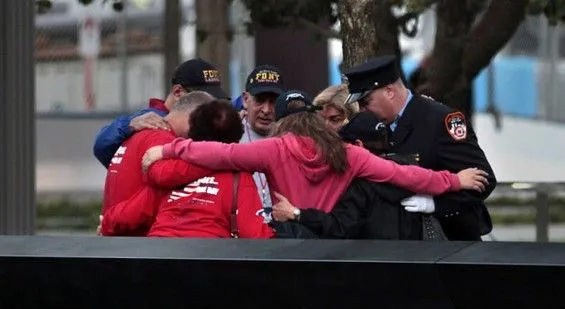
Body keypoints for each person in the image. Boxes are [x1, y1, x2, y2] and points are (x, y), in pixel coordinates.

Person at [141, 89, 490, 215]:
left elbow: (221, 155)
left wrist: (172, 149)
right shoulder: (349, 154)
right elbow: (404, 174)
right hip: (333, 242)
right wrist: (454, 181)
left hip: (289, 240)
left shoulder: (275, 149)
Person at [343, 55, 496, 240]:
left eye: (366, 102)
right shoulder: (372, 126)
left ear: (389, 91)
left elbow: (483, 179)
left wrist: (436, 204)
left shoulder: (439, 120)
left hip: (448, 243)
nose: (362, 110)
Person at [101, 100, 274, 239]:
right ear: (236, 139)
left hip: (158, 256)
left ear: (192, 132)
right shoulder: (238, 177)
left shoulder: (171, 172)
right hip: (205, 262)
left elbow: (128, 214)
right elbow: (256, 235)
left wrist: (106, 224)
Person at [271, 111, 446, 240]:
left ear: (358, 145)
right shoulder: (415, 175)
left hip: (372, 274)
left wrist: (296, 213)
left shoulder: (359, 187)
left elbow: (339, 227)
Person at [100, 91, 214, 236]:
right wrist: (212, 160)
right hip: (137, 245)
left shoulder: (139, 135)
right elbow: (149, 202)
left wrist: (107, 223)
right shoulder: (163, 142)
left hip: (117, 241)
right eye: (206, 125)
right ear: (194, 118)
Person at [93, 58, 229, 168]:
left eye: (214, 101)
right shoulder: (149, 121)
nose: (210, 106)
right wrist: (128, 125)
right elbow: (102, 145)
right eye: (201, 98)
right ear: (178, 92)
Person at [238, 65, 286, 212]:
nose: (266, 110)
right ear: (246, 99)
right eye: (260, 100)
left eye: (273, 102)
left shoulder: (292, 137)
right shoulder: (229, 134)